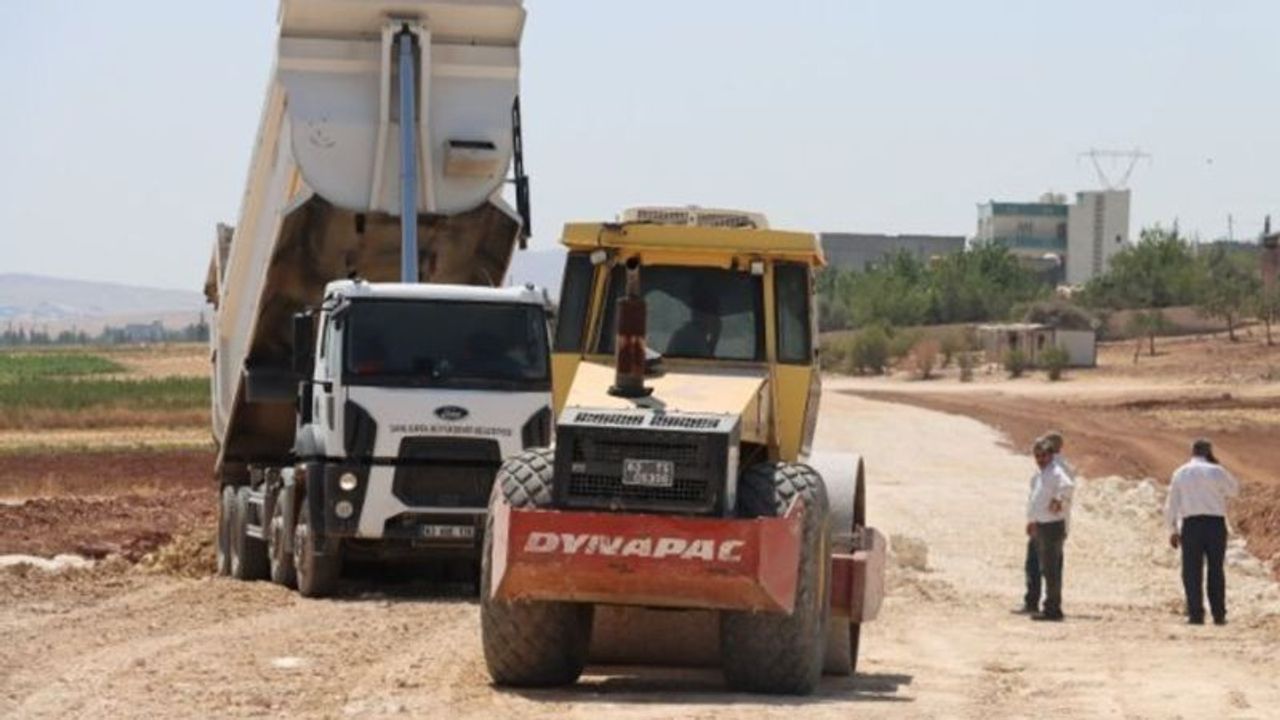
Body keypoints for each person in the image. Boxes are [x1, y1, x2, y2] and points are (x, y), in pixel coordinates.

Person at [1165, 438, 1239, 626]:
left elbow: (1171, 504)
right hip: (1215, 525)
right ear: (1209, 452)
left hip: (1191, 525)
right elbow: (1234, 490)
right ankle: (1219, 615)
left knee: (1191, 571)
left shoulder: (1180, 472)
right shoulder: (1217, 471)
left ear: (1192, 452)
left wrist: (1172, 530)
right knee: (1216, 570)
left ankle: (1195, 615)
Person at [1020, 431, 1074, 613]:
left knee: (1049, 568)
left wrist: (1059, 501)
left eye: (1043, 452)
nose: (1039, 458)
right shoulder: (1045, 470)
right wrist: (1032, 519)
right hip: (1041, 523)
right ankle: (1033, 601)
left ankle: (1051, 607)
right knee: (1035, 564)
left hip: (1052, 525)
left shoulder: (1058, 469)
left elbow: (1066, 488)